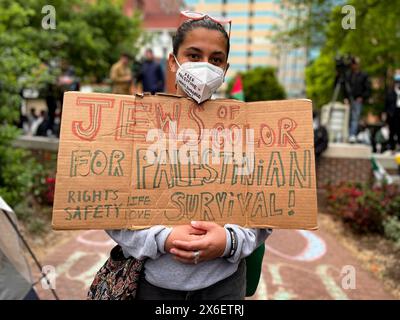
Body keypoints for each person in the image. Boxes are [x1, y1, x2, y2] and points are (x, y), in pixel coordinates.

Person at [106, 14, 272, 300]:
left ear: (226, 68)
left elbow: (268, 207)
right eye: (194, 55)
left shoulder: (247, 131)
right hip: (153, 288)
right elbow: (111, 209)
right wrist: (163, 239)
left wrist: (230, 241)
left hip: (224, 288)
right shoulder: (137, 125)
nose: (204, 66)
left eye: (216, 59)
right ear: (173, 61)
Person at [346, 57, 371, 143]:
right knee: (348, 117)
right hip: (348, 100)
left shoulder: (363, 75)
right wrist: (345, 98)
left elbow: (367, 88)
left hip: (357, 100)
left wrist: (362, 97)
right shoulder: (348, 75)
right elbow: (343, 87)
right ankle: (347, 134)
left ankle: (352, 135)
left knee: (355, 118)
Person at [384, 71, 400, 152]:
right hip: (393, 113)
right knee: (392, 130)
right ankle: (391, 146)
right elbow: (387, 104)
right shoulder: (391, 92)